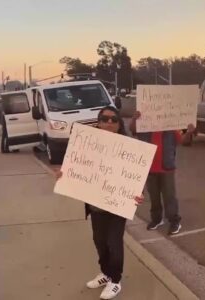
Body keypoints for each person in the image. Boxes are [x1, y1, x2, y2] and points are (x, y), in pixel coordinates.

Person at [56, 106, 143, 300]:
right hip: (96, 206)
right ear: (98, 122)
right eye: (105, 119)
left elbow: (136, 177)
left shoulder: (129, 146)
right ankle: (105, 273)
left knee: (114, 242)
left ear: (119, 123)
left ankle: (115, 281)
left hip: (117, 204)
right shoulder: (88, 144)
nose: (109, 123)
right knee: (99, 240)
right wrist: (64, 175)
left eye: (114, 119)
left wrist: (138, 194)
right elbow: (77, 169)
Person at [130, 111, 195, 235]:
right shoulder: (144, 127)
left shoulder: (171, 129)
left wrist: (189, 132)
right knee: (154, 197)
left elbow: (183, 140)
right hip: (149, 169)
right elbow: (132, 129)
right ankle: (157, 219)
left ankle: (174, 221)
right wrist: (134, 119)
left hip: (167, 169)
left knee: (169, 196)